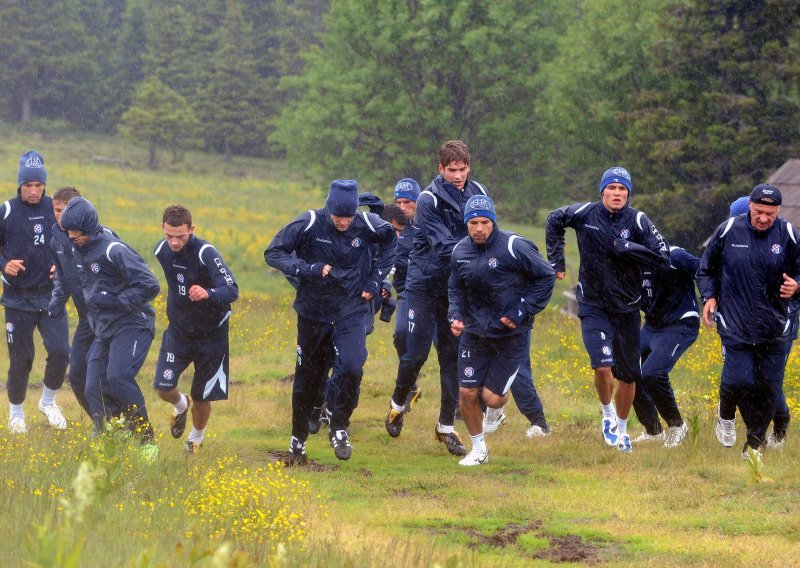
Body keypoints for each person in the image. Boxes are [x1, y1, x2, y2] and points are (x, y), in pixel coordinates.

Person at [265, 179, 396, 464]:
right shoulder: (310, 222)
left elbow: (391, 245)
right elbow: (273, 253)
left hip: (350, 310)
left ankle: (339, 426)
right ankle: (297, 441)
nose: (344, 222)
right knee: (307, 378)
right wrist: (306, 269)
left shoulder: (369, 224)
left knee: (351, 367)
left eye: (349, 217)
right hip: (313, 313)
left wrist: (374, 281)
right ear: (328, 210)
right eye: (338, 217)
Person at [546, 166, 669, 453]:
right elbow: (553, 219)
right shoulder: (585, 213)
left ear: (628, 193)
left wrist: (629, 248)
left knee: (628, 376)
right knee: (603, 368)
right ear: (602, 191)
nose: (617, 193)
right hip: (592, 305)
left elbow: (661, 258)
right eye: (611, 189)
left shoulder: (638, 220)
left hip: (627, 309)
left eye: (622, 189)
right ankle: (607, 415)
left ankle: (623, 431)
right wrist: (557, 261)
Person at [384, 141, 489, 457]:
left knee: (452, 356)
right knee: (414, 354)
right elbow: (445, 246)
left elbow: (488, 229)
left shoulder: (479, 192)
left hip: (456, 291)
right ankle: (398, 401)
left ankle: (445, 426)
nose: (458, 176)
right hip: (423, 286)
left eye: (462, 169)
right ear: (441, 169)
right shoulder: (427, 200)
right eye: (452, 170)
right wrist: (479, 254)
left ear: (468, 167)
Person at [449, 196, 555, 465]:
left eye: (485, 222)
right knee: (466, 392)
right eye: (473, 223)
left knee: (492, 398)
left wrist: (521, 311)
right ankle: (479, 450)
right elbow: (455, 288)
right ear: (466, 224)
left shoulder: (513, 245)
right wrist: (456, 315)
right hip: (474, 332)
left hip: (510, 335)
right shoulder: (459, 252)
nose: (479, 228)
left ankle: (496, 411)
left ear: (493, 221)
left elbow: (545, 277)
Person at [698, 184, 800, 457]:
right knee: (739, 381)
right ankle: (725, 416)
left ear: (777, 210)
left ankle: (754, 444)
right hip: (736, 324)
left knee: (768, 388)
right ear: (750, 207)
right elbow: (705, 269)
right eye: (758, 212)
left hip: (775, 327)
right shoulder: (729, 231)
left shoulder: (789, 234)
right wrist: (709, 296)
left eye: (770, 213)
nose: (764, 218)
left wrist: (797, 286)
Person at [59, 197, 160, 455]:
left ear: (90, 229)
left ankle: (146, 441)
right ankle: (116, 434)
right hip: (103, 328)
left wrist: (116, 301)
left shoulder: (114, 250)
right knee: (92, 385)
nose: (72, 237)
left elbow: (150, 285)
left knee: (118, 377)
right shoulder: (75, 247)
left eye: (76, 233)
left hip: (133, 323)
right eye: (68, 232)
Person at [152, 205, 239, 454]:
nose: (175, 242)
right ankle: (180, 406)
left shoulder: (206, 254)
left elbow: (232, 290)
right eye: (169, 235)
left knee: (202, 396)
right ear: (163, 229)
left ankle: (195, 438)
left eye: (181, 236)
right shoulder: (161, 250)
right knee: (162, 387)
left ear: (192, 229)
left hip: (212, 337)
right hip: (178, 333)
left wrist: (208, 293)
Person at [0, 150, 70, 433]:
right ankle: (16, 413)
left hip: (51, 295)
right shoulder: (6, 210)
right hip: (17, 298)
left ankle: (49, 402)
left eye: (38, 185)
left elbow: (71, 242)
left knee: (61, 352)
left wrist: (59, 264)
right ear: (20, 185)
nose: (33, 190)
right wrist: (5, 265)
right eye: (28, 185)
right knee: (22, 359)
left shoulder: (56, 208)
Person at [49, 186, 117, 419]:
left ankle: (124, 426)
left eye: (65, 210)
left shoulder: (103, 237)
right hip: (86, 320)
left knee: (107, 377)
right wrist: (56, 303)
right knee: (77, 377)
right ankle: (103, 424)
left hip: (110, 318)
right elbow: (62, 274)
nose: (61, 217)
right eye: (57, 210)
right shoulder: (56, 237)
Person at [631, 245, 700, 448]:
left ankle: (677, 426)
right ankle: (653, 431)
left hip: (680, 323)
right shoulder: (633, 259)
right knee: (628, 372)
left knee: (652, 373)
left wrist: (711, 299)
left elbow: (705, 272)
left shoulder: (676, 255)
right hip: (653, 325)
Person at [388, 179, 423, 409]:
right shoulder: (392, 226)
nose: (402, 206)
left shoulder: (427, 223)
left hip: (431, 291)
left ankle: (461, 402)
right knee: (401, 334)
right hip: (405, 290)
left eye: (407, 202)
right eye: (398, 201)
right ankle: (409, 384)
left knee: (447, 347)